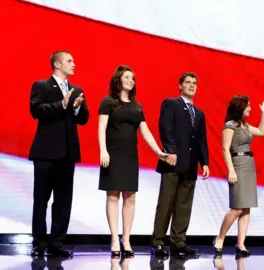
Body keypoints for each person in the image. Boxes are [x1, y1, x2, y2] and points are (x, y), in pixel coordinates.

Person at [98, 65, 169, 258]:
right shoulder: (108, 102)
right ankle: (114, 238)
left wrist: (158, 151)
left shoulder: (137, 106)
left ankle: (126, 239)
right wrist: (103, 150)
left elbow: (145, 132)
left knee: (130, 197)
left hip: (130, 157)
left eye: (133, 78)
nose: (131, 80)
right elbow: (101, 128)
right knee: (113, 197)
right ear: (118, 80)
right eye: (127, 77)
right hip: (112, 155)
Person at [29, 51, 89, 257]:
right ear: (57, 64)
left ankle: (57, 243)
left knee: (63, 201)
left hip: (67, 154)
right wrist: (62, 105)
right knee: (41, 199)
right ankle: (38, 243)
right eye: (69, 60)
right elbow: (36, 110)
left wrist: (76, 109)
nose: (74, 63)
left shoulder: (77, 90)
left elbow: (84, 119)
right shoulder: (42, 86)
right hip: (45, 154)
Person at [151, 72, 210, 257]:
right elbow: (165, 128)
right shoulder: (171, 104)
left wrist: (205, 163)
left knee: (184, 206)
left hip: (190, 166)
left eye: (194, 83)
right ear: (180, 85)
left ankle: (178, 243)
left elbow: (201, 141)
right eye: (188, 82)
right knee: (166, 203)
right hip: (172, 162)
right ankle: (158, 242)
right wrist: (171, 150)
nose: (191, 86)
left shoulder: (199, 114)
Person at [213, 95, 264, 257]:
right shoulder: (230, 126)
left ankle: (241, 244)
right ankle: (220, 238)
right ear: (240, 107)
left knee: (246, 208)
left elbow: (261, 131)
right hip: (237, 164)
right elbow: (225, 149)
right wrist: (231, 170)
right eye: (248, 106)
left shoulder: (244, 125)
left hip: (249, 165)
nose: (250, 109)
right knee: (237, 208)